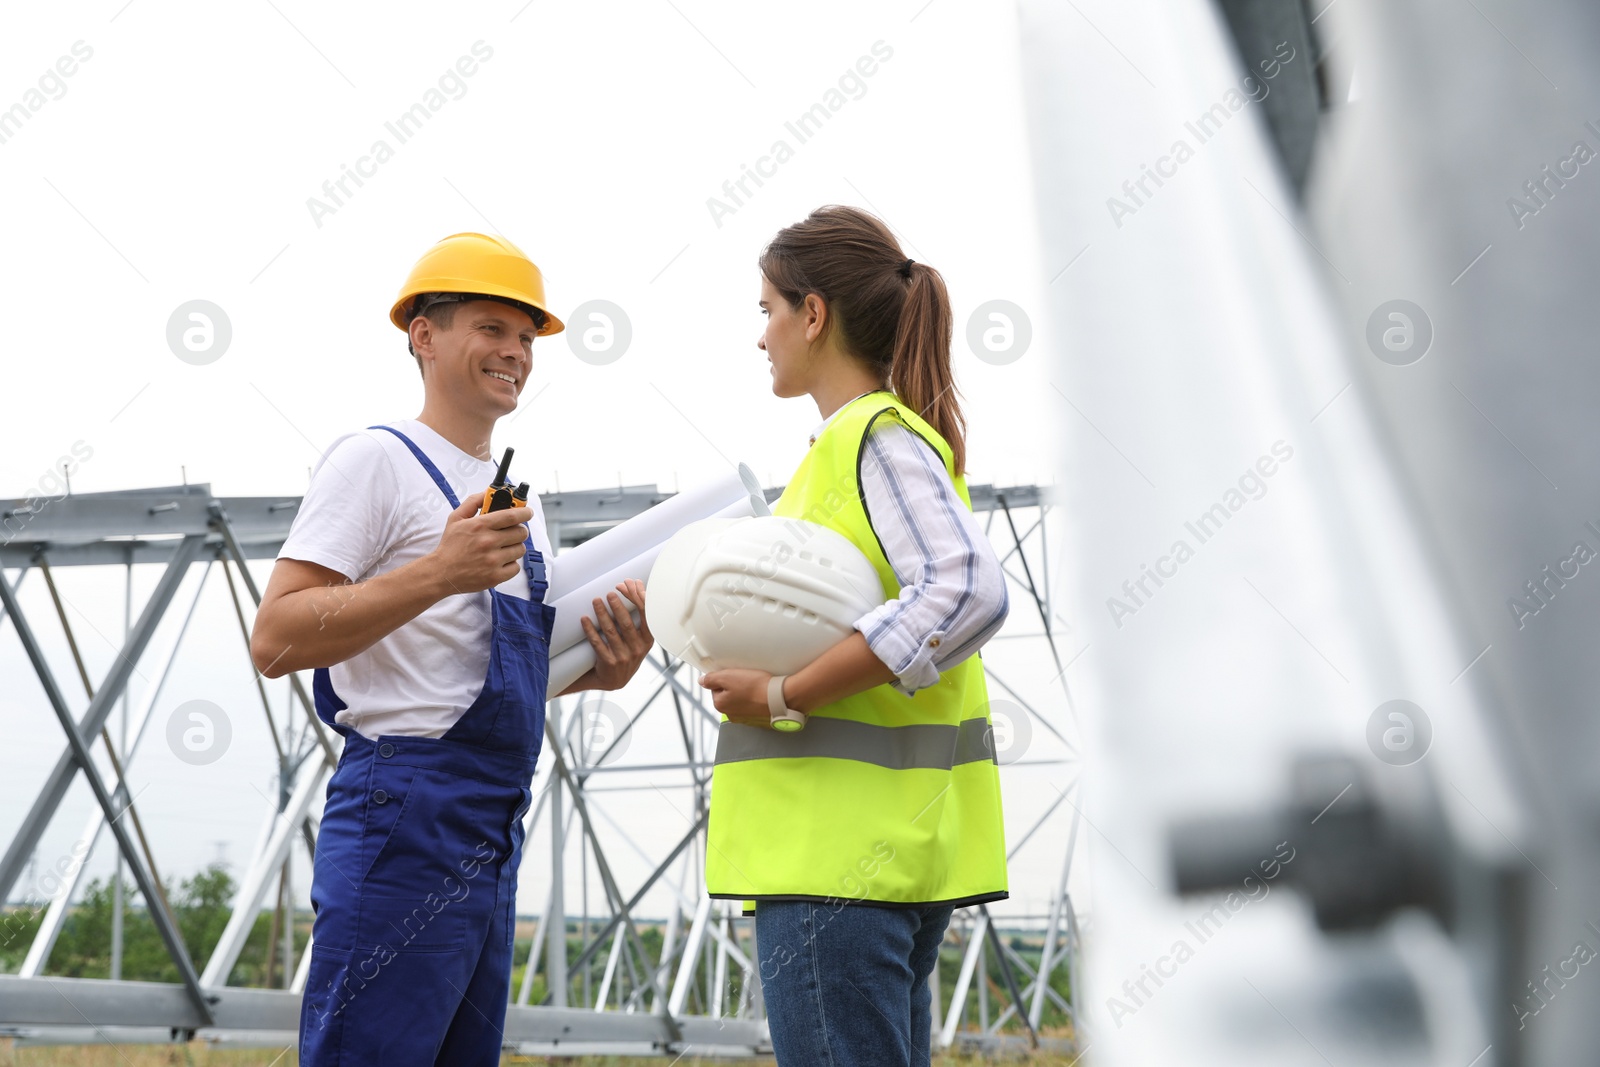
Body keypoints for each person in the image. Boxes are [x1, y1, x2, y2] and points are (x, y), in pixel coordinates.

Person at [249, 232, 655, 1066]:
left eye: (526, 337)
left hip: (493, 819)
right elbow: (277, 635)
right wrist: (439, 571)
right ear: (423, 335)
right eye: (491, 327)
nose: (515, 352)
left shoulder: (522, 508)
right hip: (402, 807)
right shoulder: (375, 461)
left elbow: (469, 674)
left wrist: (596, 669)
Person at [699, 205, 1011, 1066]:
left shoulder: (869, 439)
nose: (761, 336)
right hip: (873, 862)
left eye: (767, 310)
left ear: (814, 314)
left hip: (834, 866)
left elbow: (966, 589)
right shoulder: (862, 447)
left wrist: (780, 694)